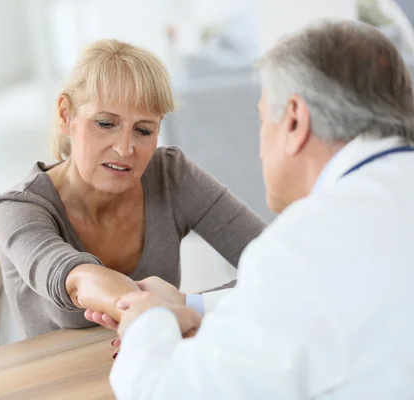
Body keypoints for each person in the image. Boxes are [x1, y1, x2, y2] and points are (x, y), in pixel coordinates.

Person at [110, 19, 414, 399]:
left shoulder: (304, 245)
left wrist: (145, 323)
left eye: (260, 119)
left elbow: (161, 390)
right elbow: (349, 291)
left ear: (294, 120)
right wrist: (194, 305)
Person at [0, 39, 266, 340]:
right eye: (106, 123)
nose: (125, 149)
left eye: (143, 130)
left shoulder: (171, 174)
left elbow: (276, 261)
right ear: (65, 116)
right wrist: (156, 313)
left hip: (158, 366)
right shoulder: (18, 208)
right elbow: (78, 279)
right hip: (65, 381)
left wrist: (190, 305)